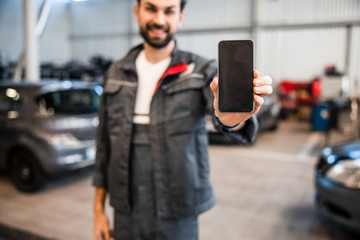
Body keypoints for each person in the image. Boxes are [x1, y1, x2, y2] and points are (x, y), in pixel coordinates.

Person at [92, 0, 273, 239]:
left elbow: (225, 117)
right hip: (125, 210)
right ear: (137, 11)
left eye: (169, 11)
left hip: (178, 213)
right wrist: (98, 211)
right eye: (151, 8)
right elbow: (105, 146)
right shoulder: (116, 72)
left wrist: (231, 118)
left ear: (180, 17)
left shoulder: (200, 70)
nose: (159, 20)